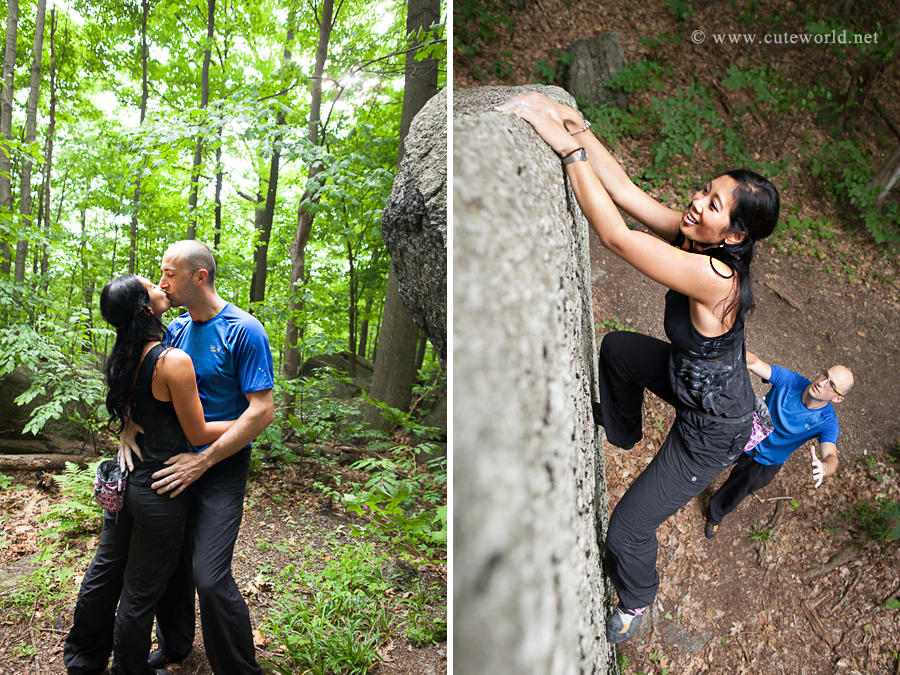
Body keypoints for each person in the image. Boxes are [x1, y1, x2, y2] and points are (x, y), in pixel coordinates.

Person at [497, 92, 780, 643]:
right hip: (687, 377)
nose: (698, 203)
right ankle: (622, 431)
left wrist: (566, 151)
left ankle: (637, 599)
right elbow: (625, 192)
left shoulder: (717, 277)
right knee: (619, 350)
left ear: (737, 234)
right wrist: (579, 127)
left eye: (715, 204)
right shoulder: (696, 235)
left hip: (712, 428)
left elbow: (617, 236)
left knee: (627, 530)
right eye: (705, 189)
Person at [64, 275, 235, 675]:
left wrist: (127, 422)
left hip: (125, 484)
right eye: (152, 285)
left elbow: (131, 405)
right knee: (140, 593)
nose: (162, 285)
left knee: (104, 572)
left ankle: (82, 660)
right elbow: (197, 433)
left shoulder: (122, 353)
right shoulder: (172, 361)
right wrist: (248, 418)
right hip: (160, 491)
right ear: (145, 307)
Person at [119, 240, 274, 674]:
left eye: (170, 274)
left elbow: (262, 410)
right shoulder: (177, 329)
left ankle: (240, 668)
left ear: (199, 277)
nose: (162, 282)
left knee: (209, 575)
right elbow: (143, 373)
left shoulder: (245, 330)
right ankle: (176, 644)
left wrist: (204, 460)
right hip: (174, 463)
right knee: (172, 563)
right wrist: (129, 422)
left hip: (220, 466)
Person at [705, 353, 853, 537]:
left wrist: (824, 467)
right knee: (706, 462)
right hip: (742, 438)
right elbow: (756, 362)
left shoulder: (826, 421)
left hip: (765, 463)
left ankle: (714, 516)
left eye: (831, 385)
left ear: (838, 399)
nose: (822, 383)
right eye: (825, 375)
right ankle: (686, 485)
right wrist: (732, 349)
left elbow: (832, 457)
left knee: (735, 492)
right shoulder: (791, 381)